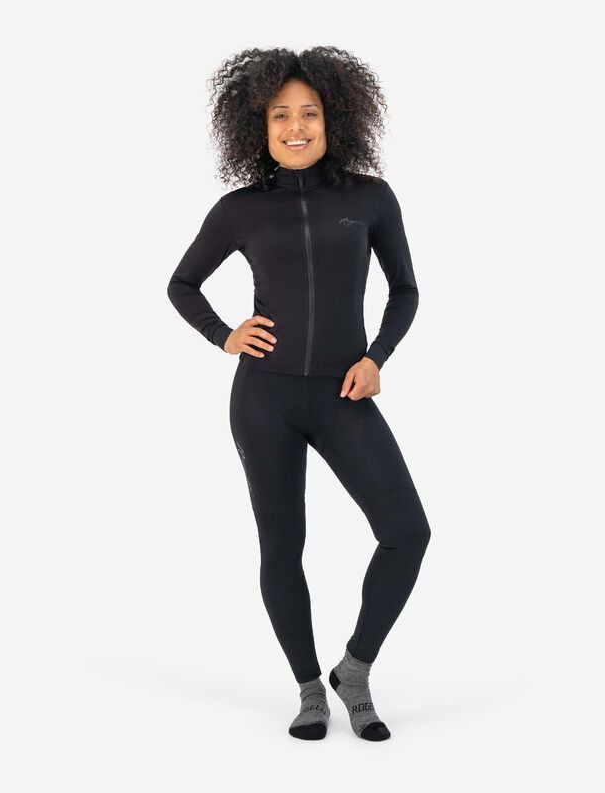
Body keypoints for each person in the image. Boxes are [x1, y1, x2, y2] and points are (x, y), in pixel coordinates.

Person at [167, 47, 432, 741]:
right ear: (258, 127)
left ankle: (355, 670)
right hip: (265, 401)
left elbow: (405, 290)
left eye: (308, 113)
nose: (294, 127)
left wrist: (377, 357)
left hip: (345, 394)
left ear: (333, 119)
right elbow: (181, 284)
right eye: (279, 115)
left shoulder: (370, 198)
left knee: (407, 533)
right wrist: (225, 335)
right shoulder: (240, 209)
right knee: (282, 548)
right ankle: (310, 689)